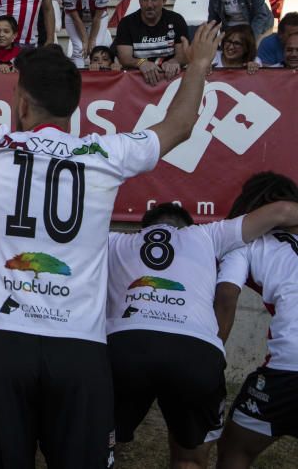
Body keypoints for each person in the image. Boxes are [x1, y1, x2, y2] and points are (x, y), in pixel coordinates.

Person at [0, 0, 223, 468]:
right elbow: (181, 125)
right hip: (79, 350)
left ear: (21, 102)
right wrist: (201, 64)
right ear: (75, 106)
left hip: (2, 343)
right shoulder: (106, 153)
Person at [107, 199, 298, 469]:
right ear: (188, 227)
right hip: (195, 352)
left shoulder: (115, 241)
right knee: (190, 457)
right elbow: (283, 211)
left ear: (143, 229)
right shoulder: (206, 234)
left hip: (127, 345)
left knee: (97, 444)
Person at [214, 173, 298, 469]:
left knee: (236, 450)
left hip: (289, 368)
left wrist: (212, 356)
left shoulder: (244, 243)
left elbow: (226, 298)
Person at [115, 0, 189, 85]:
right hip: (137, 81)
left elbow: (184, 55)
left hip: (171, 81)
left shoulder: (176, 20)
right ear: (139, 0)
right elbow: (125, 58)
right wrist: (141, 63)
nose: (149, 5)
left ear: (164, 0)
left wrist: (175, 61)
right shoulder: (126, 23)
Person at [62, 0, 111, 67]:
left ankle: (98, 77)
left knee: (95, 47)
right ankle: (80, 78)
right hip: (74, 19)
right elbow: (76, 19)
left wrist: (91, 40)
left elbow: (97, 18)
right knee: (79, 48)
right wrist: (85, 40)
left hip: (98, 18)